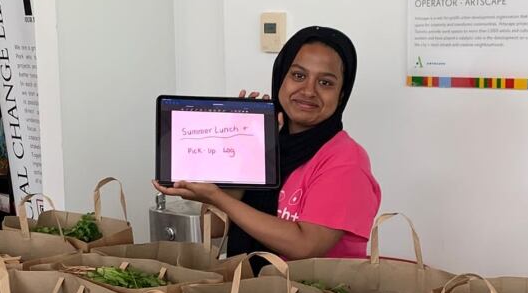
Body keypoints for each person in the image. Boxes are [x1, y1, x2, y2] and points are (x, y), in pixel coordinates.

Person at [153, 25, 381, 261]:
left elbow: (306, 246)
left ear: (342, 94)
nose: (309, 90)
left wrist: (216, 196)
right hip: (251, 289)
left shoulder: (346, 161)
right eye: (298, 75)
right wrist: (240, 159)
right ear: (281, 77)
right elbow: (214, 227)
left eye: (325, 82)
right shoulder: (269, 142)